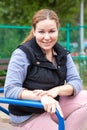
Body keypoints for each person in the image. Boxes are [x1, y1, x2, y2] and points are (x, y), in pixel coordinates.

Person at [4, 9, 87, 130]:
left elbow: (76, 81)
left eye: (52, 31)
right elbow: (10, 89)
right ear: (34, 31)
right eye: (41, 32)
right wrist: (42, 97)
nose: (47, 37)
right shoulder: (22, 54)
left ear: (58, 30)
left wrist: (56, 90)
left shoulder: (62, 53)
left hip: (53, 108)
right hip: (29, 114)